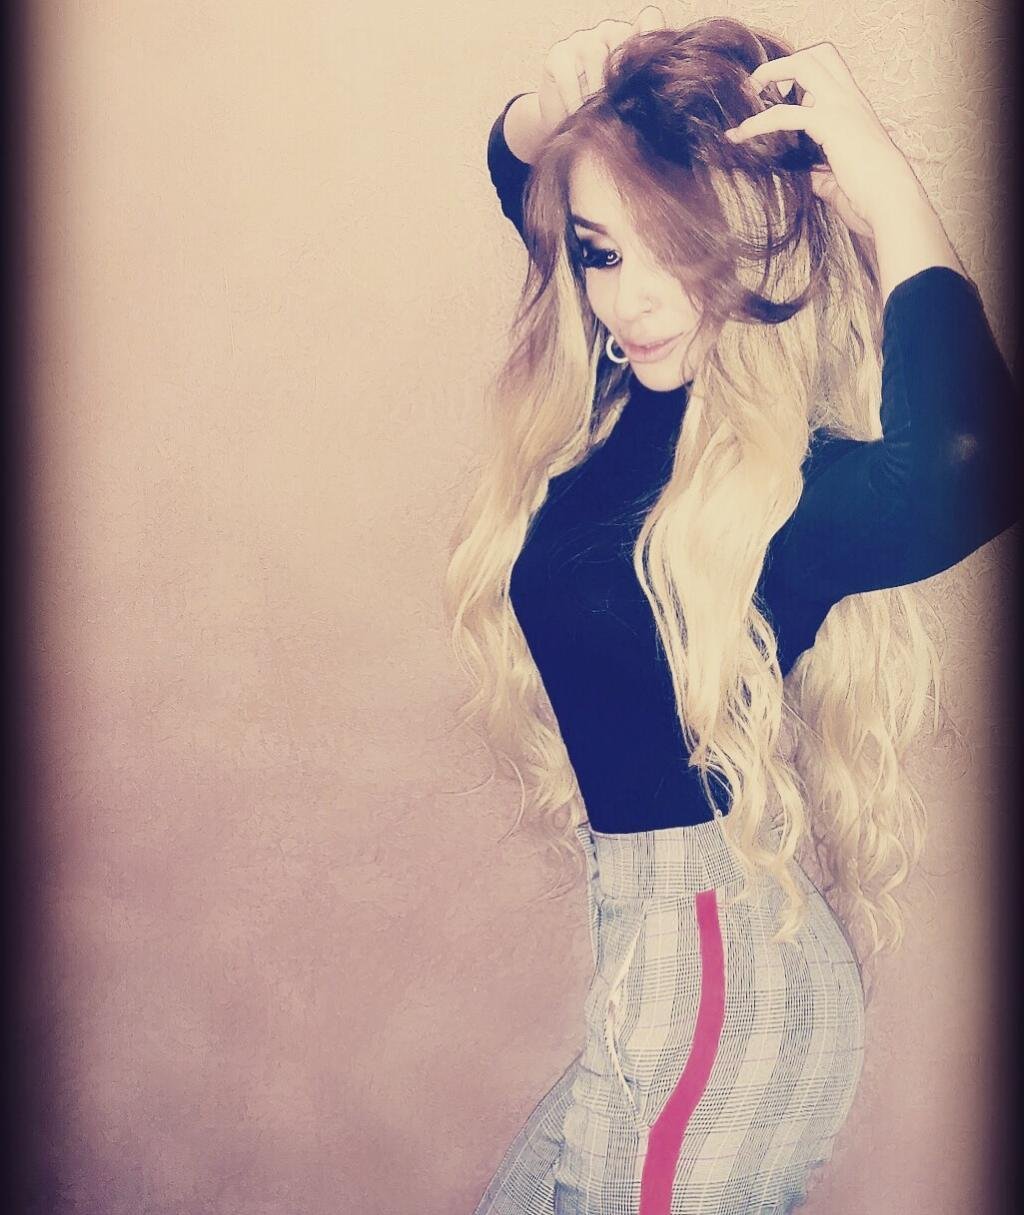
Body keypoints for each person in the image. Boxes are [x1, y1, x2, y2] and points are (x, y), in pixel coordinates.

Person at [445, 9, 1021, 1213]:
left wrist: (881, 181)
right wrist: (558, 112)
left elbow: (969, 467)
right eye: (604, 253)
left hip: (716, 984)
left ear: (753, 248)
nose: (631, 301)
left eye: (674, 254)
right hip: (659, 959)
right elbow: (515, 170)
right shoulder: (627, 393)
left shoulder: (782, 496)